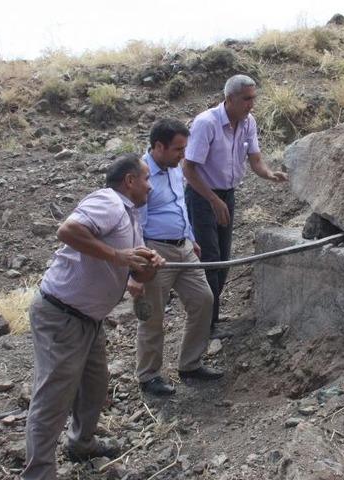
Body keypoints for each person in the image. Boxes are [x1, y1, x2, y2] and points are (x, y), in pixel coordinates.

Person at [22, 154, 165, 480]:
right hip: (62, 315)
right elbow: (67, 230)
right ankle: (38, 474)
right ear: (129, 181)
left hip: (89, 319)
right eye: (145, 178)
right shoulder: (109, 202)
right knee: (53, 398)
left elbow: (136, 279)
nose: (150, 186)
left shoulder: (132, 219)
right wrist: (118, 255)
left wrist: (149, 267)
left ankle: (81, 443)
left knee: (95, 386)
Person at [184, 74, 288, 336]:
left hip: (226, 195)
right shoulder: (206, 123)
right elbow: (189, 169)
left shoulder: (247, 122)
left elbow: (255, 160)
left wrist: (269, 174)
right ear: (229, 99)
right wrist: (212, 199)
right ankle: (206, 324)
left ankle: (212, 317)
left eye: (254, 98)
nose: (251, 104)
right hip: (202, 196)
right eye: (246, 99)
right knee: (209, 258)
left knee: (223, 258)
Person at [128, 118, 222, 397]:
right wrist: (138, 266)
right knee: (153, 315)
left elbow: (180, 204)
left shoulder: (174, 167)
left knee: (204, 300)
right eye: (178, 149)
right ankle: (149, 376)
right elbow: (135, 222)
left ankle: (190, 364)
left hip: (183, 248)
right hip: (155, 251)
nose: (184, 155)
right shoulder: (140, 175)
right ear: (159, 146)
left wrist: (191, 237)